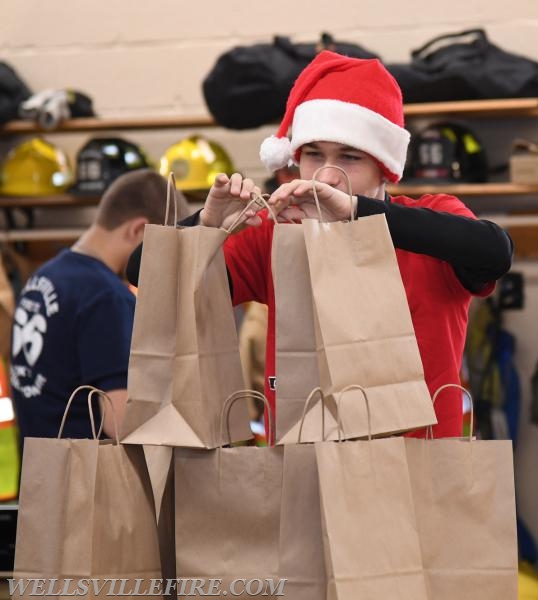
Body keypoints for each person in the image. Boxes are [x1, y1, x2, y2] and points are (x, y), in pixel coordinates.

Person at [127, 51, 513, 442]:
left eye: (350, 156)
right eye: (313, 154)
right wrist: (205, 225)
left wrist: (359, 211)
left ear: (384, 166)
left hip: (420, 480)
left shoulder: (430, 218)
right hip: (305, 478)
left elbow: (494, 251)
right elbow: (146, 276)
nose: (327, 175)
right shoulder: (276, 232)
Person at [10, 168, 184, 441]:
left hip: (39, 474)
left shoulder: (43, 277)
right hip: (84, 479)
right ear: (139, 230)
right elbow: (121, 423)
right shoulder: (105, 297)